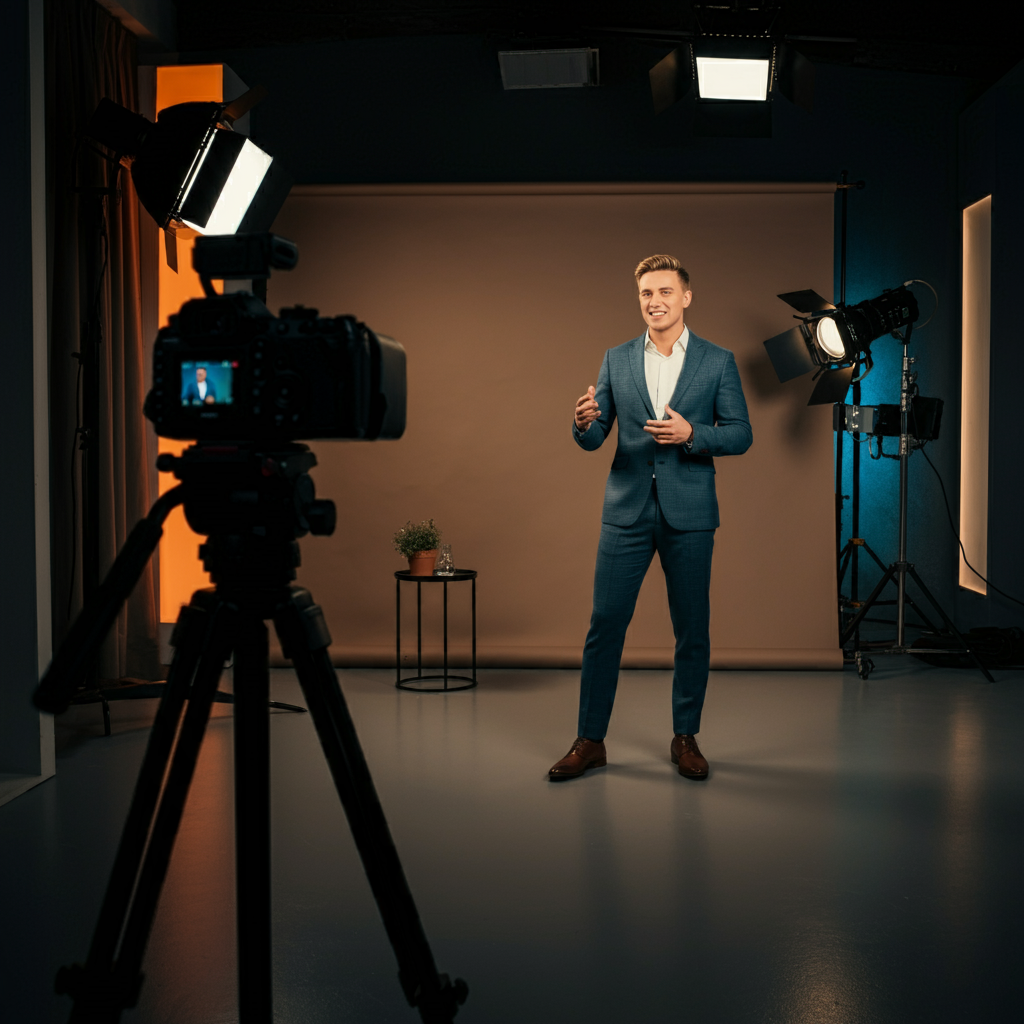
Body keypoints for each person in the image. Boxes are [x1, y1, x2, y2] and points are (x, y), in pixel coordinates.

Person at [549, 254, 752, 782]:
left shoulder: (718, 360)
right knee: (605, 626)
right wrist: (582, 422)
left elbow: (740, 433)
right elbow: (596, 437)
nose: (654, 301)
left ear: (686, 297)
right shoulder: (616, 359)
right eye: (645, 294)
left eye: (664, 291)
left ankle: (686, 738)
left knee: (692, 630)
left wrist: (694, 435)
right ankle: (590, 742)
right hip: (626, 511)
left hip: (691, 514)